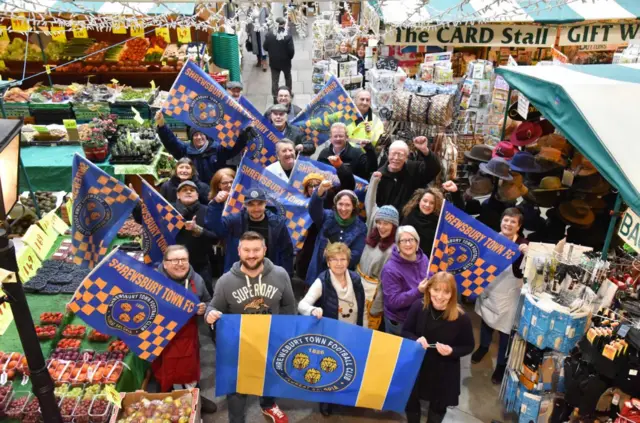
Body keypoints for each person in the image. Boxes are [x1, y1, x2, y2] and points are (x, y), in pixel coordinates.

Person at [206, 231, 294, 423]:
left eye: (256, 250)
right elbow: (213, 307)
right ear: (239, 251)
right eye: (246, 250)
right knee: (237, 387)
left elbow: (288, 306)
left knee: (270, 376)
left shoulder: (280, 274)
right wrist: (209, 314)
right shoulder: (225, 281)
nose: (251, 255)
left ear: (265, 250)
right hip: (238, 346)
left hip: (271, 341)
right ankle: (236, 419)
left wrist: (286, 334)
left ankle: (268, 405)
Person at [298, 242, 365, 416]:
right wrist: (313, 310)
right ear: (328, 262)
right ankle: (325, 401)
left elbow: (362, 307)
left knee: (348, 367)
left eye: (342, 259)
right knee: (328, 368)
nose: (339, 263)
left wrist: (362, 330)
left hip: (351, 333)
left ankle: (342, 398)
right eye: (334, 259)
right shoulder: (322, 280)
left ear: (348, 261)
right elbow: (302, 304)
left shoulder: (356, 279)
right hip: (331, 336)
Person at [151, 245, 217, 413]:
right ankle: (166, 401)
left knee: (190, 367)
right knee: (166, 372)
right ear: (165, 264)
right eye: (174, 260)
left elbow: (210, 301)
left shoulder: (198, 280)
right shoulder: (152, 281)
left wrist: (205, 309)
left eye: (184, 260)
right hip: (161, 337)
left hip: (189, 335)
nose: (180, 264)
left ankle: (194, 396)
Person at [402, 272, 474, 423]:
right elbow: (405, 331)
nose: (440, 296)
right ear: (428, 290)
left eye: (446, 292)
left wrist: (452, 351)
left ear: (453, 294)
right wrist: (415, 339)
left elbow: (468, 346)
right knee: (411, 400)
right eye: (436, 290)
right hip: (418, 366)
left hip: (444, 369)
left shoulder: (462, 318)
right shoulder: (418, 307)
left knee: (438, 406)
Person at [473, 207, 529, 385]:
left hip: (509, 295)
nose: (508, 224)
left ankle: (501, 364)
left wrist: (527, 254)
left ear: (518, 226)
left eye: (513, 221)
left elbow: (524, 273)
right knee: (486, 322)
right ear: (501, 222)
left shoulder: (523, 245)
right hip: (490, 291)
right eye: (506, 220)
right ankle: (483, 347)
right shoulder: (491, 239)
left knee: (506, 332)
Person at [205, 187, 293, 276]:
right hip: (239, 274)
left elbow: (286, 251)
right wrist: (216, 203)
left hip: (268, 275)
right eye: (251, 204)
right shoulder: (235, 221)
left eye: (259, 204)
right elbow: (214, 226)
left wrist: (287, 276)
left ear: (265, 204)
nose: (256, 208)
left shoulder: (277, 224)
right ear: (245, 205)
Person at [295, 160, 356, 282]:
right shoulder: (297, 201)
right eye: (310, 186)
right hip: (305, 241)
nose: (314, 188)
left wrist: (340, 166)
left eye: (317, 185)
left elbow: (348, 184)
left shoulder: (330, 197)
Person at [155, 111, 247, 185]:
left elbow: (235, 146)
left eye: (201, 134)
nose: (199, 137)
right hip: (194, 191)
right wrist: (162, 125)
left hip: (216, 192)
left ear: (206, 136)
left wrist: (244, 133)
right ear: (191, 138)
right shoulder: (185, 151)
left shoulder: (217, 149)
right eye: (195, 135)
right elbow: (171, 141)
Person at [306, 181, 367, 285]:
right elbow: (313, 209)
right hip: (317, 272)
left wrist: (331, 258)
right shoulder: (326, 216)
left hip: (340, 278)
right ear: (335, 204)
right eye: (340, 204)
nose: (343, 209)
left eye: (348, 205)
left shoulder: (361, 227)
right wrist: (320, 191)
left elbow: (356, 254)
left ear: (354, 207)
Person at [359, 171, 399, 330]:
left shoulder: (393, 250)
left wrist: (377, 306)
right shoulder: (372, 232)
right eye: (379, 222)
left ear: (394, 226)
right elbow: (370, 204)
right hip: (358, 284)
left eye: (387, 224)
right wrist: (374, 181)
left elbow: (386, 283)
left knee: (366, 329)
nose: (382, 227)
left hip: (372, 295)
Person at [380, 225, 428, 335]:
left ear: (417, 242)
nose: (408, 244)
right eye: (403, 241)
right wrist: (418, 291)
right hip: (400, 321)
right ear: (398, 244)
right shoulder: (390, 269)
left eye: (411, 240)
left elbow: (429, 276)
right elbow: (394, 302)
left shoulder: (423, 258)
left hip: (420, 317)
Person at [375, 138, 442, 215]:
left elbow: (434, 168)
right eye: (393, 154)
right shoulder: (379, 175)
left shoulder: (414, 170)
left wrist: (425, 150)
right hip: (383, 221)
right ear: (388, 154)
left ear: (406, 157)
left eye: (400, 155)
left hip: (406, 221)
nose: (396, 158)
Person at [173, 181, 217, 292]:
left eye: (192, 190)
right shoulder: (169, 210)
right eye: (184, 190)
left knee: (205, 301)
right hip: (173, 266)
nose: (188, 192)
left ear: (197, 195)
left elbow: (215, 238)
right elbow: (148, 221)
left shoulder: (207, 210)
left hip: (201, 266)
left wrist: (196, 229)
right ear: (178, 195)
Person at [401, 181, 463, 256]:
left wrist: (455, 192)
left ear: (436, 205)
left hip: (432, 261)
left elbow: (459, 216)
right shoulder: (409, 217)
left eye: (432, 203)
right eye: (425, 201)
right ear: (419, 201)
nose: (427, 205)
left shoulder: (439, 220)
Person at [207, 168, 236, 279]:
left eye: (232, 182)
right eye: (224, 183)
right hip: (220, 248)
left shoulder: (243, 200)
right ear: (218, 185)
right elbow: (212, 226)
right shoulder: (214, 203)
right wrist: (216, 203)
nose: (229, 185)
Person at [263, 17, 295, 103]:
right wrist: (289, 58)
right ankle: (288, 94)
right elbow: (291, 51)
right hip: (285, 62)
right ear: (284, 24)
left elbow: (265, 47)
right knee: (288, 77)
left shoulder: (269, 34)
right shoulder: (288, 35)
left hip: (274, 62)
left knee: (274, 80)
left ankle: (275, 97)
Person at [246, 4, 269, 71]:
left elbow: (268, 17)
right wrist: (248, 30)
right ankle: (259, 59)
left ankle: (264, 61)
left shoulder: (264, 7)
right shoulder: (250, 8)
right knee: (256, 45)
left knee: (262, 45)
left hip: (262, 30)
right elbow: (248, 19)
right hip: (254, 30)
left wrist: (268, 28)